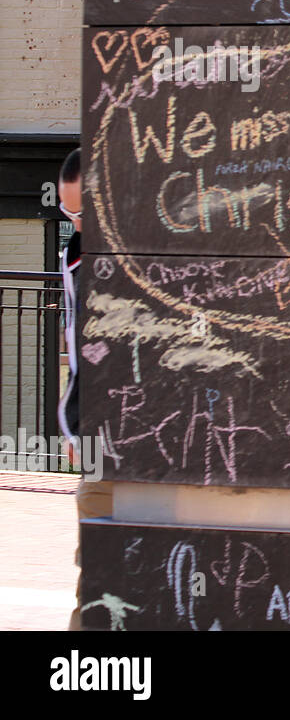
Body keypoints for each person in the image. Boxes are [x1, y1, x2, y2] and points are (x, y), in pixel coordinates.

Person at [57, 148, 111, 630]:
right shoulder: (75, 253)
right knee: (94, 560)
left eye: (82, 213)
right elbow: (77, 350)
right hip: (96, 432)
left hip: (142, 429)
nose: (75, 223)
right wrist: (75, 431)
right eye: (66, 212)